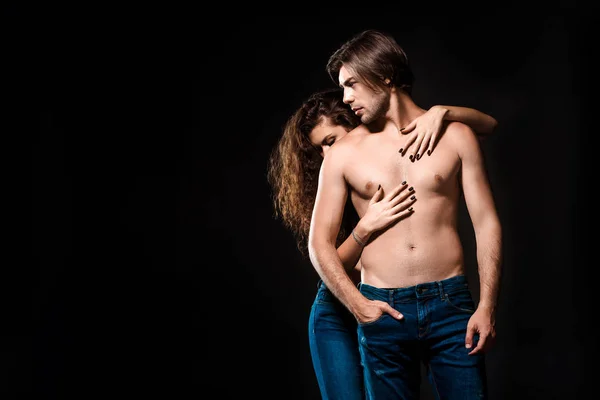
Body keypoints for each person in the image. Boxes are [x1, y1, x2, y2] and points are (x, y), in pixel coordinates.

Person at [268, 86, 498, 399]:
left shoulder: (381, 157)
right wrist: (365, 228)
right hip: (338, 306)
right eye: (318, 149)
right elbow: (331, 260)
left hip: (392, 304)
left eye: (330, 141)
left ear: (355, 125)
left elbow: (488, 126)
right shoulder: (336, 175)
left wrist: (442, 112)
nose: (326, 154)